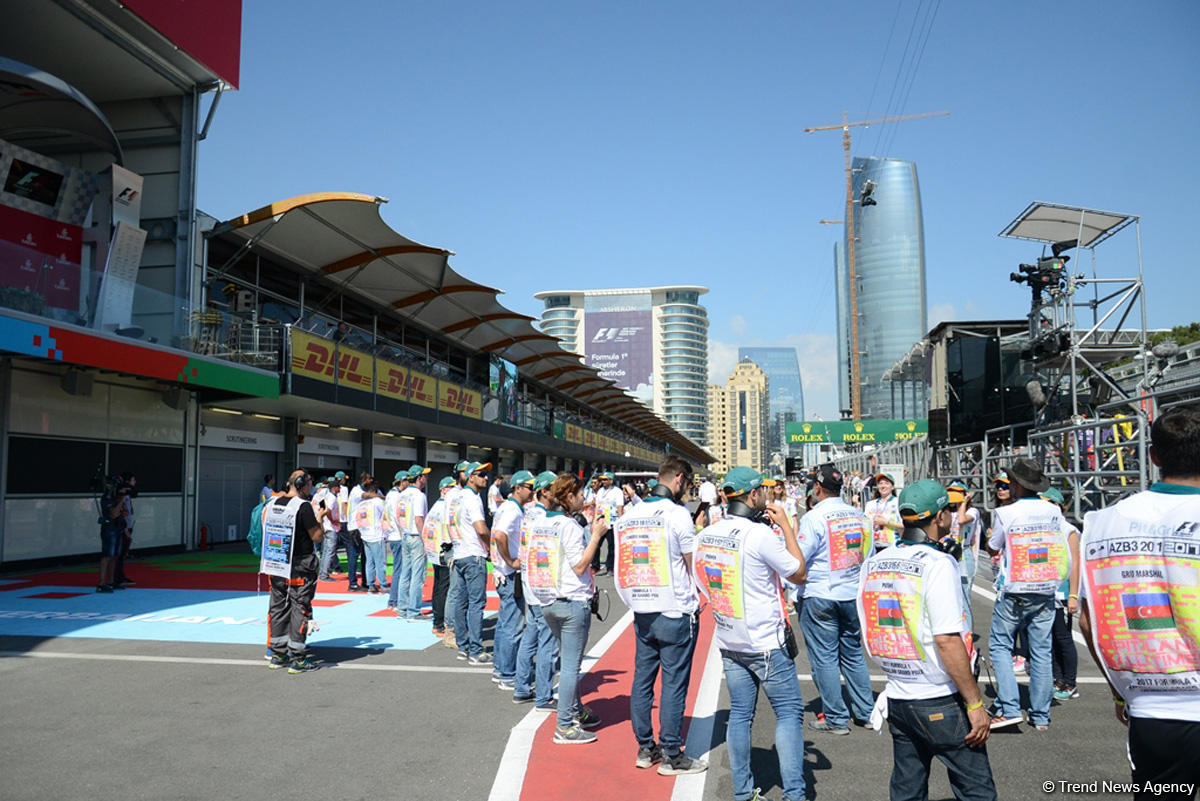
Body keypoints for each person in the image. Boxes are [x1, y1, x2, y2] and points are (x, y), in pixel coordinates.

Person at [1079, 404, 1200, 799]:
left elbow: (1088, 621)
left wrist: (1121, 691)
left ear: (1152, 456)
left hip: (1151, 706)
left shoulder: (1103, 522)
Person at [858, 479, 996, 801]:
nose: (950, 515)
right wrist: (975, 703)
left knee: (907, 790)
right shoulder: (938, 564)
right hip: (939, 698)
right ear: (937, 518)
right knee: (977, 792)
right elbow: (947, 640)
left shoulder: (874, 563)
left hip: (898, 696)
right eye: (947, 509)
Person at [694, 466, 808, 801]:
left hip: (730, 637)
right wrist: (786, 526)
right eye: (763, 491)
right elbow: (798, 573)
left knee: (741, 716)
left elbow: (702, 582)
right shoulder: (760, 535)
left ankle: (743, 793)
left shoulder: (708, 533)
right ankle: (795, 795)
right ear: (753, 495)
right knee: (788, 713)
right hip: (765, 641)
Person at [614, 455, 706, 775]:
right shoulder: (678, 515)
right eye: (688, 484)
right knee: (674, 683)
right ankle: (672, 753)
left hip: (643, 608)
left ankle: (644, 747)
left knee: (643, 680)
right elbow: (694, 565)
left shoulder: (630, 514)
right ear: (679, 479)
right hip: (675, 609)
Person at [985, 457, 1070, 730]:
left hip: (1015, 588)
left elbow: (994, 546)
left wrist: (990, 542)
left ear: (1017, 485)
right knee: (1042, 651)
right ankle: (1041, 715)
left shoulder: (1007, 512)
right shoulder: (1053, 511)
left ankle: (1009, 706)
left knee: (1000, 646)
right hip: (1046, 587)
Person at [525, 473, 607, 744]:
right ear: (568, 497)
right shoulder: (568, 526)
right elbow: (580, 565)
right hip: (571, 600)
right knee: (571, 666)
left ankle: (577, 710)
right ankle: (564, 726)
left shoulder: (540, 522)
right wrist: (595, 536)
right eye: (581, 494)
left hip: (548, 600)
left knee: (567, 660)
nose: (584, 498)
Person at [797, 464, 876, 734]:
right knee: (853, 654)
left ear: (817, 488)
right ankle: (866, 712)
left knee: (825, 658)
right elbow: (869, 556)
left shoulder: (814, 517)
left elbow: (798, 561)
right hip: (851, 593)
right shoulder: (860, 516)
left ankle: (836, 718)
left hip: (820, 594)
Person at [264, 469, 327, 673]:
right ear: (301, 484)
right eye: (309, 482)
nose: (311, 486)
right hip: (300, 566)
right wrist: (321, 518)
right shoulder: (303, 507)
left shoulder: (272, 504)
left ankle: (278, 654)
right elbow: (317, 536)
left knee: (278, 608)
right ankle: (298, 658)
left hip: (276, 563)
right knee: (300, 607)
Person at [513, 470, 561, 707]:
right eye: (555, 487)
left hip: (528, 578)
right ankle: (543, 695)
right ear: (545, 491)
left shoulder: (529, 512)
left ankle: (522, 687)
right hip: (541, 582)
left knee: (530, 635)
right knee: (547, 641)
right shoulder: (544, 517)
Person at [492, 470, 536, 689]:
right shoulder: (512, 510)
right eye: (530, 487)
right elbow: (499, 535)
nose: (533, 491)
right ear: (517, 487)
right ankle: (508, 673)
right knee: (513, 626)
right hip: (509, 574)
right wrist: (510, 560)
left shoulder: (508, 508)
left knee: (504, 624)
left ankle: (501, 668)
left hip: (502, 572)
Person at [1039, 488, 1081, 701]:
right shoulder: (1043, 527)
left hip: (1062, 592)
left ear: (1058, 506)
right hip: (1045, 590)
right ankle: (1057, 678)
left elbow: (1075, 565)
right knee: (1049, 638)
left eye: (1049, 502)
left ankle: (1070, 682)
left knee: (1063, 638)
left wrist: (1073, 595)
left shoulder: (1068, 529)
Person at [451, 461, 494, 665]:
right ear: (470, 477)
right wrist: (492, 549)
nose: (486, 477)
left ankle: (464, 646)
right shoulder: (473, 498)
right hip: (473, 553)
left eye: (486, 474)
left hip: (459, 553)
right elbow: (481, 528)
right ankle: (475, 651)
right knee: (476, 604)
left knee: (462, 603)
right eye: (481, 474)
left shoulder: (456, 496)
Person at [393, 465, 430, 620]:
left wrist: (402, 532)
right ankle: (414, 610)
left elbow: (397, 516)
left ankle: (402, 607)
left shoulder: (402, 494)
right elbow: (419, 519)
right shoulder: (419, 495)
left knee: (405, 573)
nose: (427, 478)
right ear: (419, 478)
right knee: (417, 575)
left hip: (406, 535)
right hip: (416, 535)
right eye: (425, 476)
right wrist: (426, 540)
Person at [946, 480, 981, 633]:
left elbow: (961, 521)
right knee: (949, 597)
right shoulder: (946, 512)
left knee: (963, 598)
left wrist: (963, 503)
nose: (954, 495)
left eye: (958, 492)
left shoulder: (972, 511)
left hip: (963, 553)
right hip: (947, 552)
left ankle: (968, 635)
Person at [425, 477, 456, 639]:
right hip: (443, 551)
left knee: (438, 587)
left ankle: (438, 622)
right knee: (444, 589)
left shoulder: (435, 506)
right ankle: (441, 623)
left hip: (434, 551)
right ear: (444, 489)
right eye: (452, 487)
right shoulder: (444, 507)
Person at [383, 470, 410, 609]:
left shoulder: (390, 495)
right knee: (400, 569)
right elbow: (398, 517)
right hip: (397, 536)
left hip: (392, 534)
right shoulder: (396, 497)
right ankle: (395, 600)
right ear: (402, 481)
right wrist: (403, 534)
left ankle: (394, 600)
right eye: (407, 481)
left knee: (398, 568)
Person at [96, 477, 128, 593]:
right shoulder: (106, 498)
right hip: (109, 528)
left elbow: (125, 512)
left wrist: (121, 501)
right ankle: (101, 582)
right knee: (107, 555)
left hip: (118, 528)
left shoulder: (116, 498)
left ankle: (111, 581)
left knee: (115, 555)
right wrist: (121, 501)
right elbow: (114, 514)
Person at [354, 480, 387, 592]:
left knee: (369, 561)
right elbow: (385, 514)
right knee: (380, 562)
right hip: (376, 535)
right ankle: (383, 584)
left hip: (365, 534)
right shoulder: (378, 501)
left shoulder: (362, 503)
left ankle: (371, 584)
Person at [591, 472, 625, 575]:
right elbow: (597, 507)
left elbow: (620, 507)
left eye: (605, 480)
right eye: (602, 480)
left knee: (612, 546)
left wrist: (620, 521)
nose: (603, 482)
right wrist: (594, 521)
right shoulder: (600, 491)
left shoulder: (617, 492)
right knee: (596, 544)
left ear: (611, 481)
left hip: (612, 522)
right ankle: (595, 566)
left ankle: (610, 567)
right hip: (601, 522)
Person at [346, 472, 373, 590]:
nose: (370, 482)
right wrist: (379, 496)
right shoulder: (356, 491)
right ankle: (353, 583)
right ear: (365, 480)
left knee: (363, 555)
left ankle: (365, 581)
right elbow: (366, 496)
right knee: (354, 555)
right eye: (369, 479)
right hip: (355, 528)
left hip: (359, 527)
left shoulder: (357, 491)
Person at [865, 473, 903, 551]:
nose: (883, 486)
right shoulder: (870, 504)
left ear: (892, 487)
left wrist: (886, 522)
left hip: (893, 547)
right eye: (880, 483)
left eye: (886, 483)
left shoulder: (898, 502)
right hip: (873, 547)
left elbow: (905, 525)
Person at [114, 472, 138, 586]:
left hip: (128, 526)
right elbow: (121, 513)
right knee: (120, 553)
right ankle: (117, 577)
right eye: (133, 480)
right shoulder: (122, 495)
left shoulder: (128, 495)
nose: (135, 483)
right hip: (123, 528)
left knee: (123, 554)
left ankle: (120, 575)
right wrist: (125, 529)